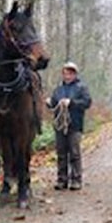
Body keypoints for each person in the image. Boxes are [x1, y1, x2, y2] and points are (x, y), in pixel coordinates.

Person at [46, 62, 92, 190]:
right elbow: (54, 102)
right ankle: (62, 180)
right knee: (61, 154)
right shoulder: (58, 89)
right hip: (60, 125)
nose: (68, 75)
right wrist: (50, 103)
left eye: (71, 73)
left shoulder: (81, 87)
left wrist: (71, 102)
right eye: (66, 73)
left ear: (75, 74)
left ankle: (76, 180)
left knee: (74, 153)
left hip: (75, 125)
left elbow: (87, 102)